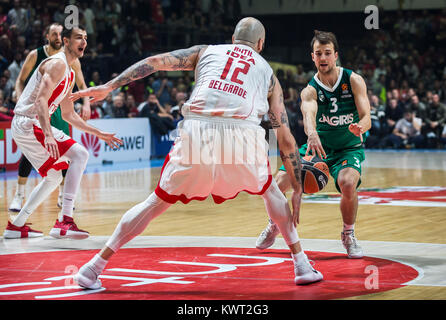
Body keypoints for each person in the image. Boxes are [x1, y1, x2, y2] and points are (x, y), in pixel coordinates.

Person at [71, 17, 323, 290]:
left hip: (197, 131)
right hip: (242, 134)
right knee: (271, 191)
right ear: (260, 44)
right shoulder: (269, 75)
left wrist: (109, 86)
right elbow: (284, 138)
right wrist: (297, 187)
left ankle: (93, 267)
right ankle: (300, 264)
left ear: (232, 38)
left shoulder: (206, 51)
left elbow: (154, 62)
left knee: (155, 203)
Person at [256, 30, 371, 259]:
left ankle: (348, 234)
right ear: (312, 57)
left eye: (327, 53)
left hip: (348, 148)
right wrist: (312, 133)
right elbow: (309, 113)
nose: (323, 58)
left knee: (348, 183)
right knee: (276, 185)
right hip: (316, 148)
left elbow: (367, 114)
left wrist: (361, 126)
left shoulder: (353, 80)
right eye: (319, 54)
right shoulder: (310, 89)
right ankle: (274, 223)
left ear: (336, 55)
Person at [3, 25, 122, 239]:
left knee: (54, 177)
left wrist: (98, 133)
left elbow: (69, 115)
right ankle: (64, 222)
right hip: (29, 122)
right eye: (78, 37)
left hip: (28, 124)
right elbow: (40, 100)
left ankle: (16, 226)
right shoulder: (57, 64)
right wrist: (48, 134)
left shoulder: (69, 71)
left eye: (86, 38)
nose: (84, 41)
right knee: (80, 155)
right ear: (66, 41)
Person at [9, 22, 92, 212]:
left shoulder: (73, 62)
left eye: (59, 34)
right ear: (48, 37)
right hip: (38, 109)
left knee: (66, 155)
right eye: (54, 34)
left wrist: (86, 103)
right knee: (29, 156)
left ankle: (63, 197)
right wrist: (21, 96)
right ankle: (19, 195)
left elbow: (82, 85)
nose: (57, 37)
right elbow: (20, 81)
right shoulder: (36, 55)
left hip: (57, 110)